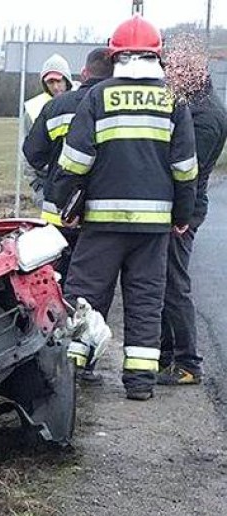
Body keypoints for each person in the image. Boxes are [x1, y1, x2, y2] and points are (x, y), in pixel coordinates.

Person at [51, 15, 197, 401]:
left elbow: (75, 160)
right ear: (157, 56)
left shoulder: (98, 96)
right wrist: (181, 217)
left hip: (102, 222)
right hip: (153, 227)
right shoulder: (174, 99)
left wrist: (67, 204)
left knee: (84, 297)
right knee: (146, 301)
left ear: (115, 54)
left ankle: (73, 371)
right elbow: (185, 169)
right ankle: (139, 383)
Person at [158, 39, 227, 385]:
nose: (168, 74)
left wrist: (180, 217)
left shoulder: (205, 115)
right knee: (164, 281)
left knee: (174, 283)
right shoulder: (192, 105)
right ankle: (166, 356)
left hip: (183, 213)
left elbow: (188, 172)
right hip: (179, 209)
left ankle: (188, 363)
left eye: (173, 68)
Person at [23, 47, 114, 281]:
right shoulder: (115, 109)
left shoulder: (55, 107)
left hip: (58, 210)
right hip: (102, 211)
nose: (54, 86)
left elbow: (32, 153)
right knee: (92, 280)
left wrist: (52, 173)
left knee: (57, 276)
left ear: (82, 73)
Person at [23, 54, 74, 206]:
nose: (56, 87)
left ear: (67, 80)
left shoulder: (83, 101)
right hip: (46, 184)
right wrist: (37, 186)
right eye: (50, 82)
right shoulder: (33, 111)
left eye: (59, 81)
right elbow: (26, 152)